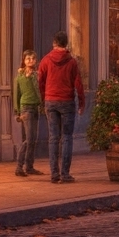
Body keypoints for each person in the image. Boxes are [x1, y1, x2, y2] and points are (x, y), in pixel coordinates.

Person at [38, 31, 84, 183]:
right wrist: (82, 103)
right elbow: (78, 84)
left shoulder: (45, 60)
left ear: (54, 43)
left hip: (50, 100)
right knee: (67, 137)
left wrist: (44, 97)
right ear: (66, 44)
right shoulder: (72, 62)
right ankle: (65, 173)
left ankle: (54, 174)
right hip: (66, 101)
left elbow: (40, 81)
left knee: (53, 138)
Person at [13, 49, 44, 177]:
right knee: (29, 139)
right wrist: (17, 111)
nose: (30, 61)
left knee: (33, 139)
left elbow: (40, 88)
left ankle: (30, 167)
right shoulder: (20, 77)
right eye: (28, 59)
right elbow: (16, 94)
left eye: (32, 58)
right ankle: (19, 167)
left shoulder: (37, 75)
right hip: (26, 108)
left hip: (36, 107)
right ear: (24, 61)